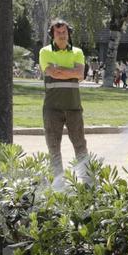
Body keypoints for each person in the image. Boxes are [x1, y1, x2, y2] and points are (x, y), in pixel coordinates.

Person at [39, 19, 89, 176]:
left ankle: (87, 181)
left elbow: (80, 74)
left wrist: (59, 70)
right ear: (52, 34)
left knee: (80, 145)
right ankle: (57, 183)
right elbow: (51, 73)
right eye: (58, 32)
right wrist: (71, 71)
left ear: (69, 33)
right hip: (52, 109)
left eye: (64, 32)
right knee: (53, 147)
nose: (62, 35)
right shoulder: (45, 52)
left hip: (74, 107)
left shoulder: (78, 52)